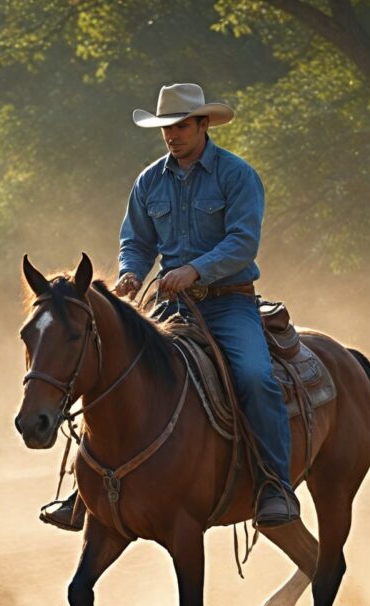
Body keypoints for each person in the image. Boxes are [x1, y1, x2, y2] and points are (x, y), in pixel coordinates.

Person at [40, 82, 299, 531]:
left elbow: (242, 243)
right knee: (108, 367)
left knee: (256, 378)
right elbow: (136, 242)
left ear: (203, 124)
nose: (172, 135)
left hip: (228, 304)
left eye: (180, 125)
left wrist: (195, 270)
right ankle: (86, 490)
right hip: (170, 305)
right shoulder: (149, 181)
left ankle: (275, 484)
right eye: (165, 127)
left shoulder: (236, 175)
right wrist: (131, 273)